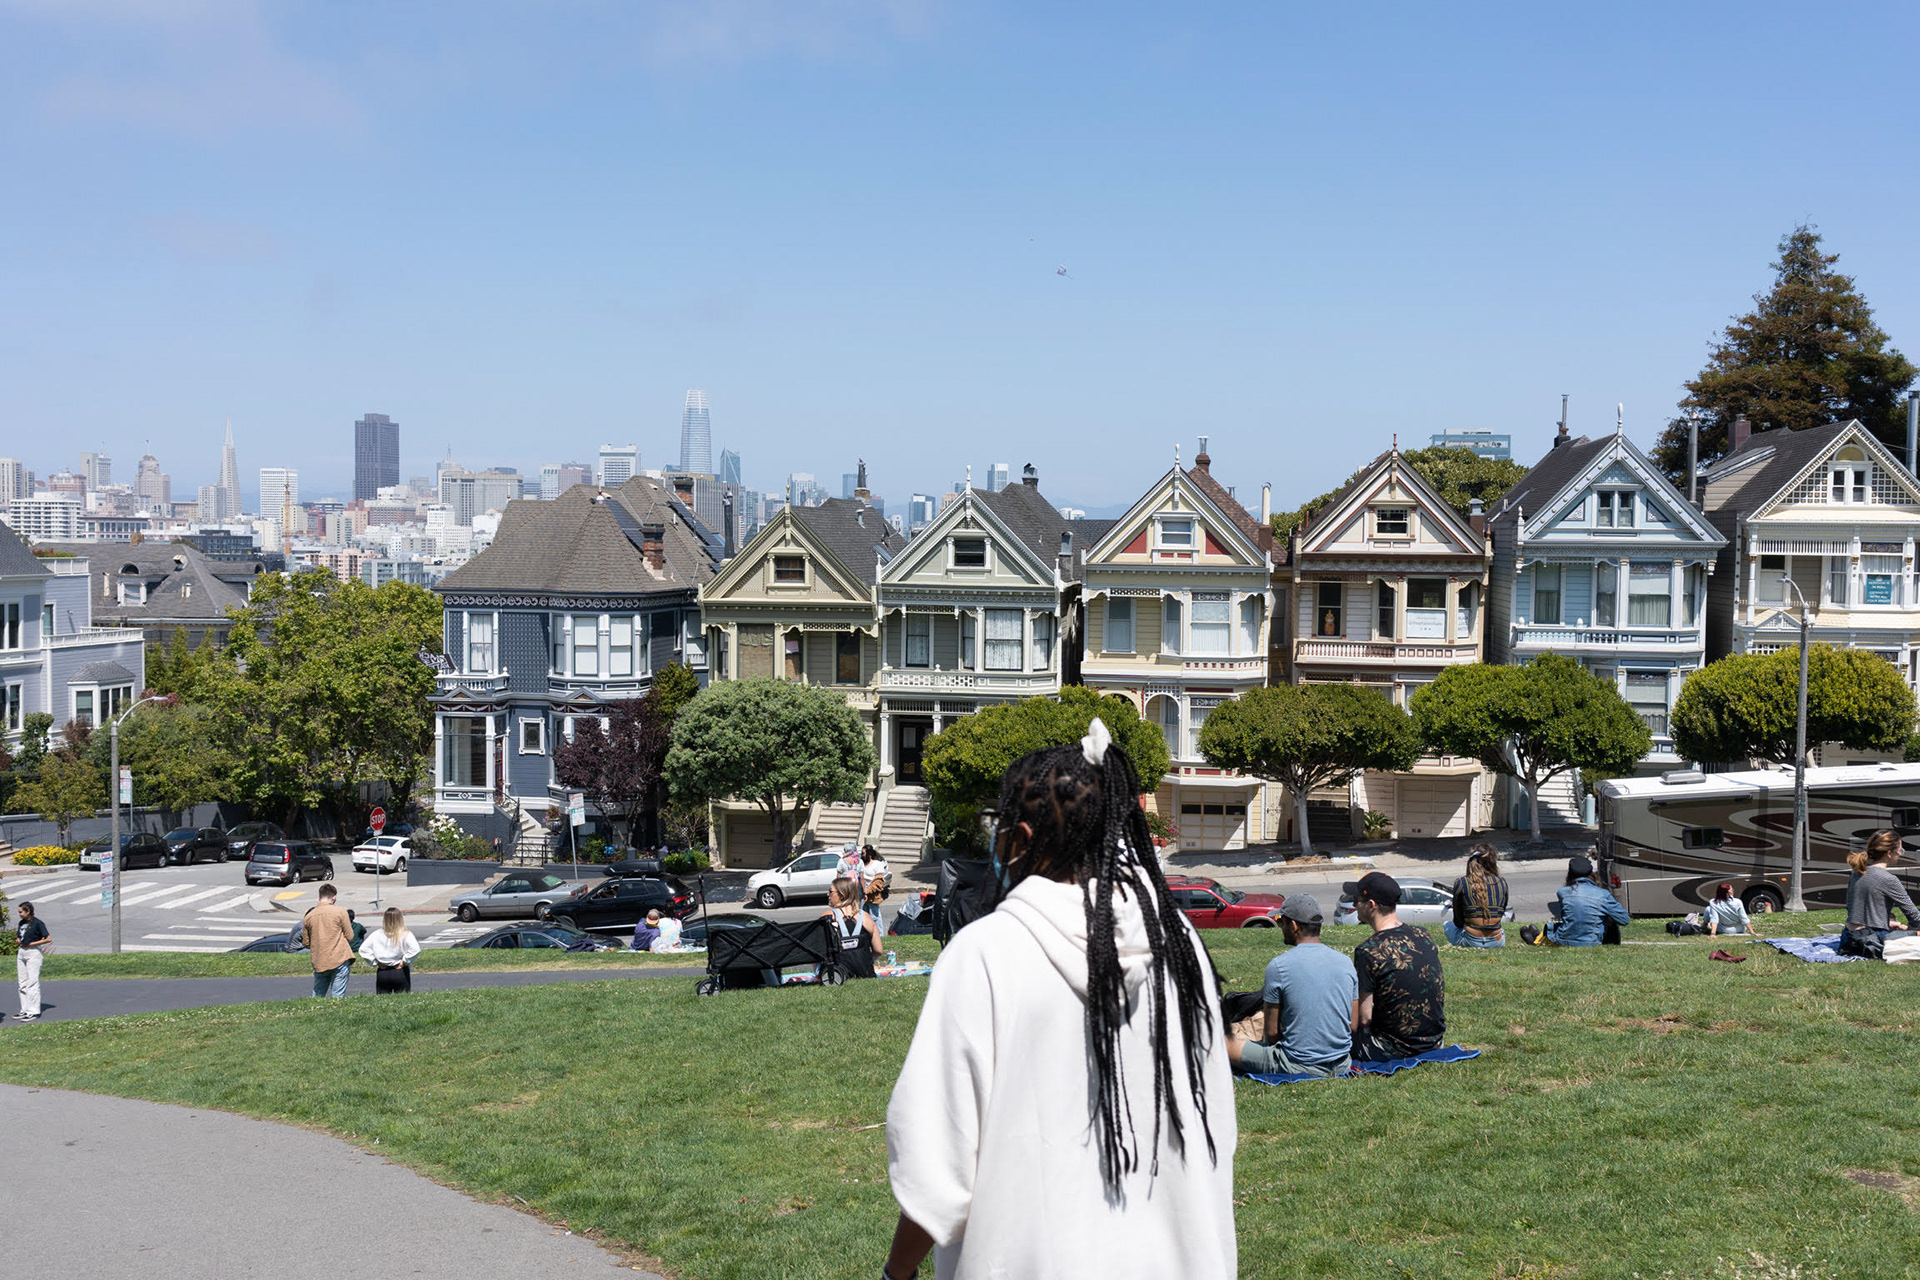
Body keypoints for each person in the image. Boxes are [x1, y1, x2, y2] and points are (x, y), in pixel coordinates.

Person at [884, 719, 1236, 1280]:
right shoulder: (1179, 943)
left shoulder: (985, 955)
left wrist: (895, 1274)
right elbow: (1216, 1121)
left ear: (1023, 838)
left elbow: (937, 1175)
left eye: (999, 826)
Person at [1226, 893, 1356, 1078]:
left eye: (1281, 921)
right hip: (1341, 1063)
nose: (1280, 927)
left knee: (1222, 1043)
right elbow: (1353, 1024)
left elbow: (1271, 1034)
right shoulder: (1346, 962)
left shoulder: (1279, 966)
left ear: (1294, 926)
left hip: (1295, 1063)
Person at [1346, 872, 1446, 1063]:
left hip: (1393, 1049)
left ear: (1371, 905)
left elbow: (1364, 1018)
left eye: (1356, 900)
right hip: (1434, 1042)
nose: (1353, 904)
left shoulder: (1368, 951)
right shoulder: (1423, 935)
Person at [1521, 856, 1629, 947]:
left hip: (1564, 940)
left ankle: (1537, 938)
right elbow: (1624, 920)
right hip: (1591, 942)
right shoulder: (1603, 895)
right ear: (1592, 874)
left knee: (1560, 925)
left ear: (1570, 874)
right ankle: (1536, 938)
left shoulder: (1563, 892)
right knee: (1610, 920)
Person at [1846, 830, 1919, 942]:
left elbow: (1856, 912)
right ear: (1889, 853)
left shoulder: (1856, 873)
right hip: (1870, 940)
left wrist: (1886, 922)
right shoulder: (1888, 879)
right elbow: (1914, 916)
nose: (1900, 854)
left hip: (1849, 937)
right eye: (1900, 850)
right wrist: (1911, 929)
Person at [1444, 844, 1509, 948]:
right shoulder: (1502, 883)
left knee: (1447, 925)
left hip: (1471, 940)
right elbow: (1501, 912)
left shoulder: (1462, 883)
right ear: (1493, 862)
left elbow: (1458, 921)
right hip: (1497, 941)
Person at [298, 883, 356, 998]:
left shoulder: (309, 916)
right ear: (333, 897)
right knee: (337, 996)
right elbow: (350, 936)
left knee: (318, 994)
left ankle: (315, 1008)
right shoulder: (340, 912)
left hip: (319, 960)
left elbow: (306, 943)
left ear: (319, 897)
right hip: (339, 958)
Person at [823, 875, 883, 979]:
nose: (828, 894)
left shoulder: (828, 917)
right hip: (866, 974)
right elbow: (878, 950)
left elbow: (817, 949)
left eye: (830, 891)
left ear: (842, 895)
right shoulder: (866, 917)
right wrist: (867, 961)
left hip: (838, 976)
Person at [359, 907, 420, 994]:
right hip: (400, 971)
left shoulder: (376, 934)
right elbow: (415, 949)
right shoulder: (405, 934)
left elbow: (363, 949)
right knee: (402, 999)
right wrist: (404, 962)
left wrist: (375, 962)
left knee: (383, 1000)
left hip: (383, 972)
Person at [14, 901, 50, 1022]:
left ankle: (33, 1011)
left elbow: (48, 938)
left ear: (28, 911)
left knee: (32, 983)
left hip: (33, 953)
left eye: (21, 912)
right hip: (22, 952)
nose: (19, 914)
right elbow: (20, 935)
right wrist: (18, 940)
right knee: (22, 983)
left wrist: (32, 943)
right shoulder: (22, 923)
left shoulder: (38, 923)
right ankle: (24, 1009)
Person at [861, 844, 891, 933]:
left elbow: (878, 881)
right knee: (863, 915)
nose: (862, 855)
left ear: (869, 854)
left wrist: (868, 890)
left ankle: (879, 934)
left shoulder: (877, 864)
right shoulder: (861, 864)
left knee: (875, 916)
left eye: (863, 853)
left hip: (873, 892)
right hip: (862, 890)